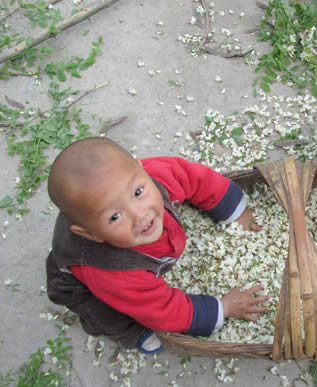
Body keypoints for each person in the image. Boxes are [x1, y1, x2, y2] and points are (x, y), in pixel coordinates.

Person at [46, 137, 270, 354]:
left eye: (137, 193)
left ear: (140, 167)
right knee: (109, 313)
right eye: (115, 217)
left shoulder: (154, 175)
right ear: (90, 234)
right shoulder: (114, 274)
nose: (140, 215)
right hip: (79, 285)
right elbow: (162, 310)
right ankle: (132, 334)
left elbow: (196, 178)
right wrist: (223, 307)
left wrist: (234, 212)